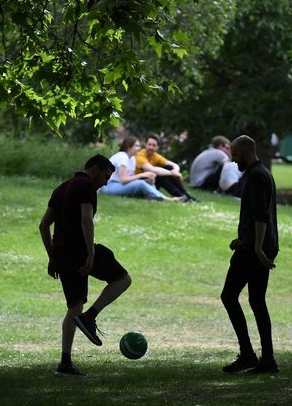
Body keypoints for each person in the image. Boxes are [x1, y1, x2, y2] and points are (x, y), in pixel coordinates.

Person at [39, 154, 132, 377]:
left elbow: (43, 226)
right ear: (95, 169)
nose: (106, 182)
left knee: (74, 307)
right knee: (122, 279)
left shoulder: (61, 188)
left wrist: (53, 257)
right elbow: (86, 220)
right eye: (106, 176)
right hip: (80, 251)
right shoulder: (86, 186)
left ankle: (65, 362)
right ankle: (90, 317)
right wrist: (90, 253)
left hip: (63, 255)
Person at [221, 135, 279, 374]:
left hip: (255, 250)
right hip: (261, 245)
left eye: (235, 156)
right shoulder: (263, 172)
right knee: (257, 301)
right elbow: (259, 214)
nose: (234, 161)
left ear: (244, 153)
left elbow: (260, 215)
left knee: (229, 296)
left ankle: (248, 354)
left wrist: (254, 247)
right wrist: (244, 239)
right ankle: (267, 359)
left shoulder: (255, 176)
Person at [101, 137, 181, 201]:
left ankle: (154, 197)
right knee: (140, 183)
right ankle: (167, 199)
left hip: (119, 185)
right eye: (136, 146)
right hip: (109, 186)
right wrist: (142, 175)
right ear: (129, 147)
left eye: (139, 146)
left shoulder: (132, 159)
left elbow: (130, 178)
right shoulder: (123, 158)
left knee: (146, 182)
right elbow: (123, 180)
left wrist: (146, 180)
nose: (139, 148)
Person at [135, 134, 196, 201]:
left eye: (154, 145)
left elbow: (174, 165)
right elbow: (153, 170)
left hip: (151, 182)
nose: (151, 147)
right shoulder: (140, 156)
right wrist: (172, 173)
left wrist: (175, 171)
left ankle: (185, 195)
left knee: (168, 167)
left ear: (157, 147)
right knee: (159, 175)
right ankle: (180, 195)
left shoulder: (155, 156)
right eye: (149, 144)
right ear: (145, 145)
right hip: (140, 183)